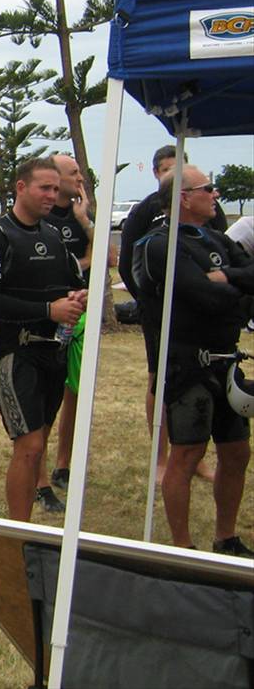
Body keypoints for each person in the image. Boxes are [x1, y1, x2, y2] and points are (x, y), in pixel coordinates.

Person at [132, 166, 253, 555]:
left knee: (237, 452)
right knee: (187, 454)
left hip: (226, 361)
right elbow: (199, 295)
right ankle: (182, 547)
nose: (215, 194)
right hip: (186, 365)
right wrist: (234, 288)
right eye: (208, 188)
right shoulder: (158, 245)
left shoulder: (218, 238)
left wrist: (225, 277)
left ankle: (225, 538)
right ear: (183, 197)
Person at [0, 157, 87, 522]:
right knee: (29, 444)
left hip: (54, 352)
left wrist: (77, 297)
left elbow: (72, 283)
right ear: (21, 187)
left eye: (55, 188)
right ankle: (18, 533)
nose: (52, 195)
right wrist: (48, 310)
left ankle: (24, 530)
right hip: (15, 351)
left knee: (39, 440)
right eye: (44, 188)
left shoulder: (53, 236)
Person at [118, 146, 225, 481]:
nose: (172, 174)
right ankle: (160, 457)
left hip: (202, 314)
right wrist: (148, 302)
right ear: (156, 174)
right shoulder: (146, 210)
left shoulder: (210, 208)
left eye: (178, 167)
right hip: (160, 314)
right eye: (166, 170)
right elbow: (128, 264)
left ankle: (197, 457)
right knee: (159, 379)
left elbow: (222, 252)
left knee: (205, 382)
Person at [33, 153, 97, 511]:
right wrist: (77, 265)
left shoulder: (79, 215)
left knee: (73, 392)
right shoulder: (41, 218)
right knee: (44, 399)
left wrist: (85, 221)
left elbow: (107, 257)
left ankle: (63, 464)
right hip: (49, 316)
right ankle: (39, 479)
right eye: (73, 173)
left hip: (79, 315)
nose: (80, 179)